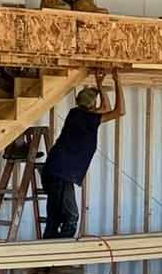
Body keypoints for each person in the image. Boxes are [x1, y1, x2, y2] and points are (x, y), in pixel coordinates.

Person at [41, 70, 124, 239]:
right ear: (92, 106)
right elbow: (118, 111)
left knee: (54, 219)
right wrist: (117, 82)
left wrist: (100, 84)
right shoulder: (88, 119)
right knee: (71, 217)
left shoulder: (76, 114)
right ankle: (60, 257)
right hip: (61, 174)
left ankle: (49, 258)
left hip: (54, 170)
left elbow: (106, 108)